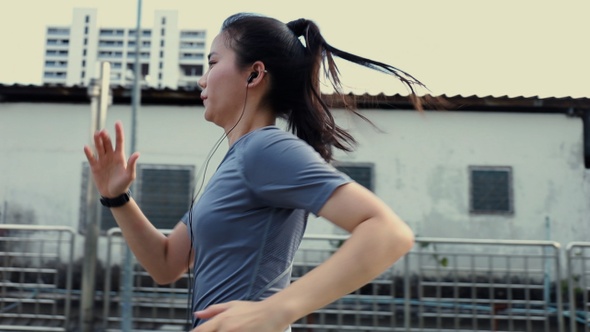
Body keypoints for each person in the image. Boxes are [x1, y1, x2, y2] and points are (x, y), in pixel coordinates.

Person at [84, 12, 419, 332]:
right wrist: (117, 198)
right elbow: (166, 263)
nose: (202, 79)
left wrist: (274, 311)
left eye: (213, 63)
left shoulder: (266, 150)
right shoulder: (239, 160)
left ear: (254, 74)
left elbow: (388, 233)